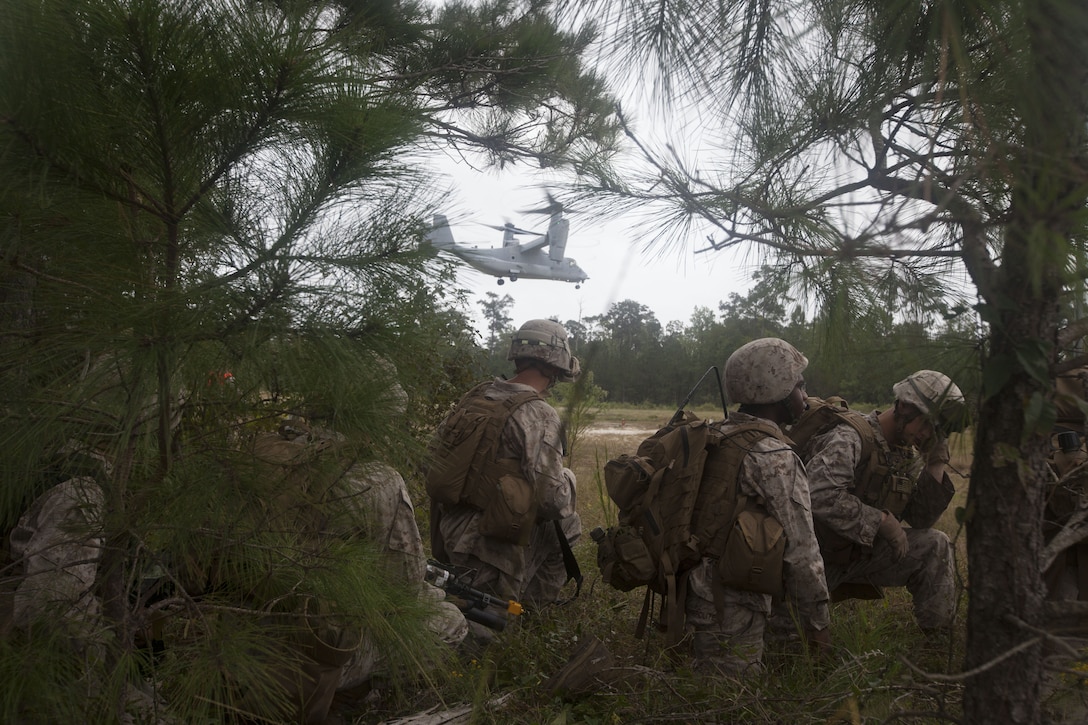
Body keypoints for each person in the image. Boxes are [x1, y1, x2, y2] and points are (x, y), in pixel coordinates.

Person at [685, 338, 831, 673]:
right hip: (731, 605)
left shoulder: (714, 434)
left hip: (689, 591)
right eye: (799, 386)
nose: (805, 396)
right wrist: (819, 625)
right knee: (730, 704)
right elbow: (803, 553)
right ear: (779, 391)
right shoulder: (773, 455)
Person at [797, 370, 967, 636]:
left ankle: (939, 643)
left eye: (936, 431)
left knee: (935, 545)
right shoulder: (851, 437)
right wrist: (882, 522)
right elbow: (818, 495)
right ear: (903, 406)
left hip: (855, 556)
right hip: (810, 562)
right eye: (925, 425)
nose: (926, 435)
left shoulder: (905, 451)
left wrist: (934, 464)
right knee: (795, 649)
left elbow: (920, 520)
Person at [430, 319, 582, 614]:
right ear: (554, 367)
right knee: (569, 521)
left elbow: (431, 460)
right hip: (490, 544)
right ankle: (531, 612)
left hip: (448, 529)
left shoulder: (475, 396)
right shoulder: (540, 413)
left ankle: (517, 610)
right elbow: (552, 500)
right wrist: (569, 481)